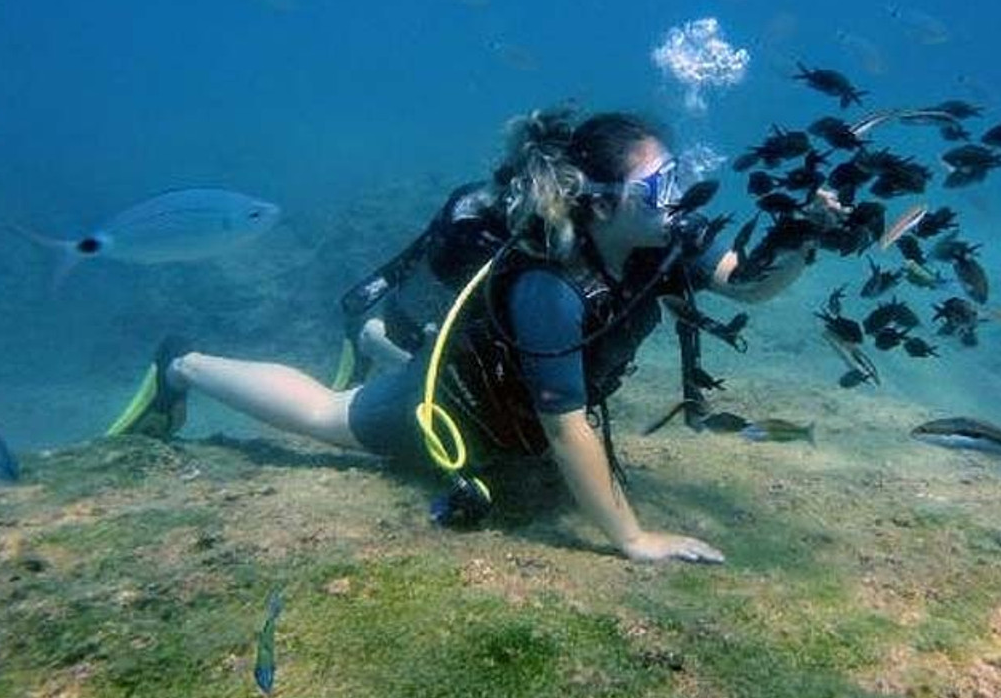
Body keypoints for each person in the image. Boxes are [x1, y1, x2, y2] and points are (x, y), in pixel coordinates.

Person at [108, 108, 829, 564]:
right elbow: (566, 426)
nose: (676, 200)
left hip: (507, 390)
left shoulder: (666, 237)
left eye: (676, 178)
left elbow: (748, 284)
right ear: (603, 204)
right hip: (455, 403)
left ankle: (379, 337)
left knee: (392, 372)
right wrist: (632, 540)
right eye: (657, 186)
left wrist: (803, 238)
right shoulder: (550, 284)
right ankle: (185, 366)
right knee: (327, 416)